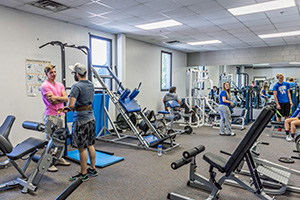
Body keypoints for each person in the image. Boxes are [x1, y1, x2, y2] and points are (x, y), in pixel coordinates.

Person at [64, 63, 97, 182]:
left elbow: (71, 105)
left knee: (81, 148)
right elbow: (86, 101)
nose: (74, 75)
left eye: (74, 73)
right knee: (90, 144)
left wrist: (68, 108)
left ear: (77, 74)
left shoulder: (76, 86)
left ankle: (83, 174)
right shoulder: (91, 85)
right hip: (91, 118)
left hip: (81, 120)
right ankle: (92, 169)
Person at [41, 64, 70, 172]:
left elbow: (66, 98)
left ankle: (58, 158)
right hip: (51, 115)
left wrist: (58, 98)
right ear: (46, 74)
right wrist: (61, 99)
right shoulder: (45, 85)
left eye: (54, 72)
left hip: (61, 114)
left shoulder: (60, 85)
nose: (53, 74)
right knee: (51, 139)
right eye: (51, 72)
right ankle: (49, 162)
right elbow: (52, 101)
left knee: (60, 139)